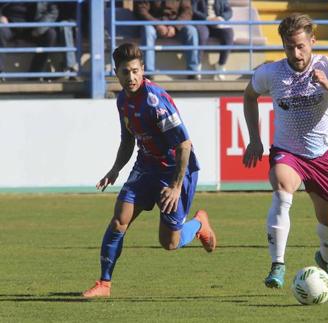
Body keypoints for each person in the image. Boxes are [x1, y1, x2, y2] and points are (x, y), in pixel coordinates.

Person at [242, 13, 328, 297]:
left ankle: (326, 261)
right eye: (289, 47)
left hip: (322, 155)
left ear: (313, 41)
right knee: (282, 191)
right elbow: (249, 96)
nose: (296, 53)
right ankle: (277, 265)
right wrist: (254, 139)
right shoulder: (271, 73)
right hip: (288, 152)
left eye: (301, 46)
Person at [82, 43, 216, 298]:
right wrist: (115, 169)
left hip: (174, 172)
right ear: (116, 73)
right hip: (145, 167)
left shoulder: (156, 101)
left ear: (142, 69)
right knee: (119, 220)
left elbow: (185, 145)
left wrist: (176, 187)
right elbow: (127, 140)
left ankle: (199, 224)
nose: (130, 77)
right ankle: (104, 283)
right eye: (125, 72)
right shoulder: (122, 100)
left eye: (135, 71)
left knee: (169, 243)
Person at [134, 1, 201, 79]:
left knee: (191, 31)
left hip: (176, 26)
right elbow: (141, 9)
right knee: (147, 31)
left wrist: (175, 26)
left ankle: (192, 71)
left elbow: (187, 11)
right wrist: (157, 24)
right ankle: (149, 73)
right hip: (153, 25)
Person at [0, 3, 58, 78]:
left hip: (34, 27)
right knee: (0, 31)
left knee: (50, 34)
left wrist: (39, 28)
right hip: (9, 24)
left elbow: (53, 11)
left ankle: (35, 75)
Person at [192, 0, 234, 80]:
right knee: (202, 35)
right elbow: (194, 10)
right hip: (202, 22)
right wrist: (207, 18)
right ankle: (198, 66)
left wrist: (220, 18)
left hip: (217, 23)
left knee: (228, 33)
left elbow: (229, 11)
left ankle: (220, 65)